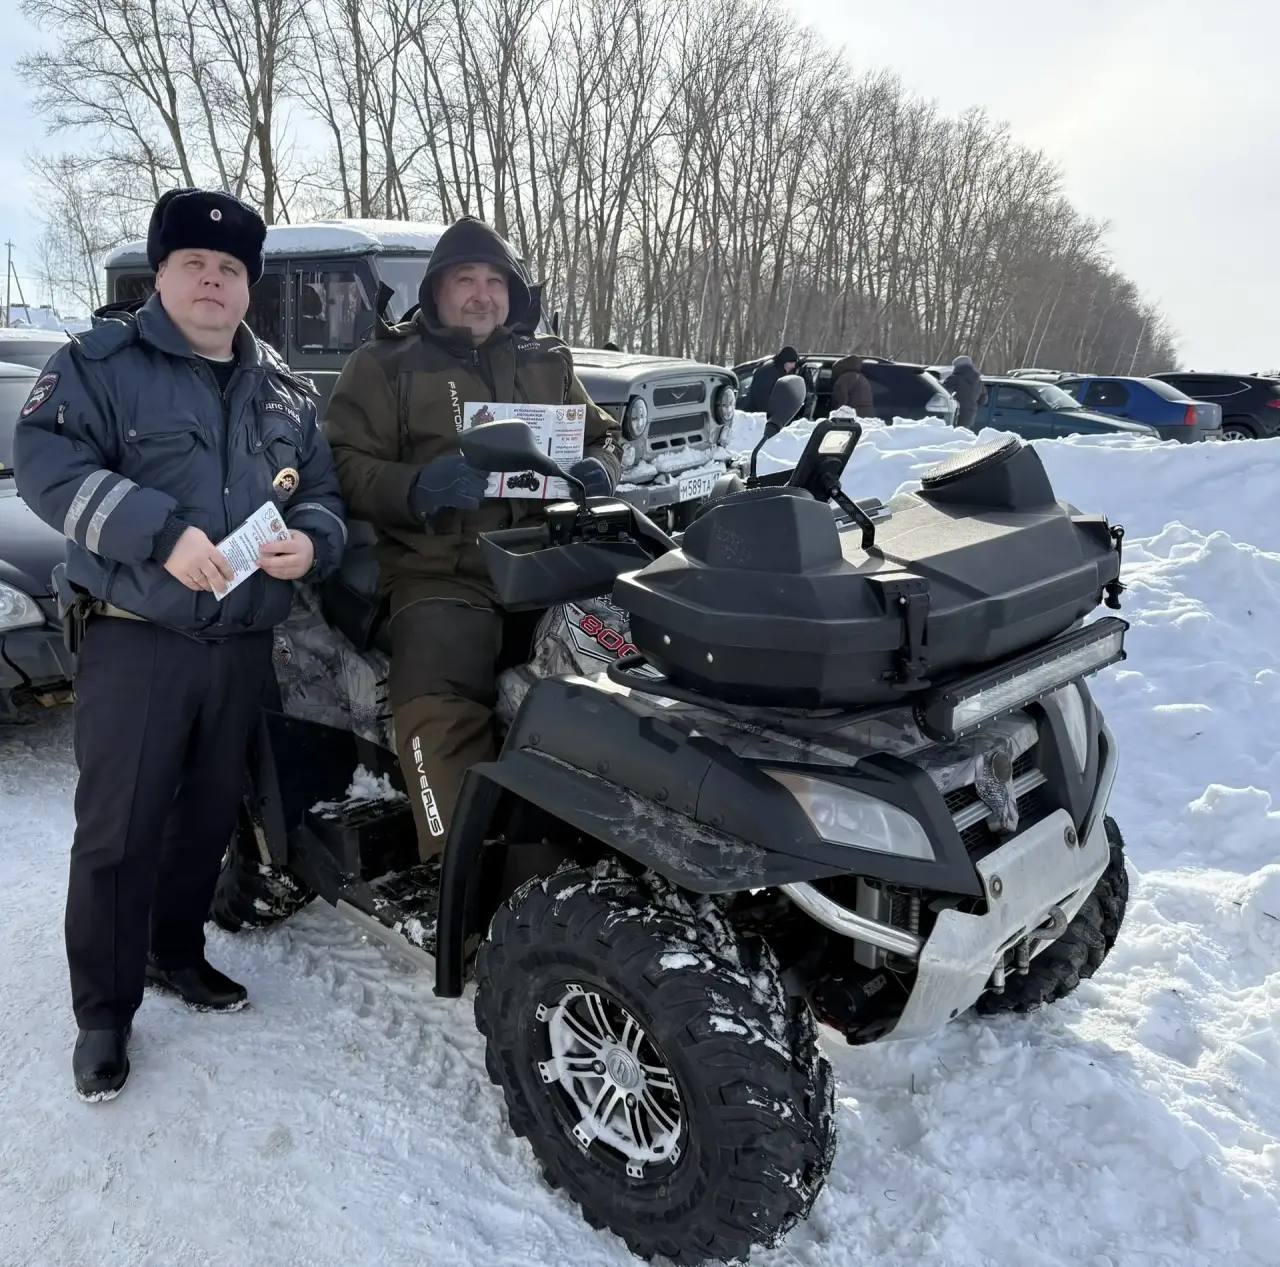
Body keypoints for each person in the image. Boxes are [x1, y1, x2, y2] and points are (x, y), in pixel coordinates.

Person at [12, 187, 347, 1102]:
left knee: (205, 817)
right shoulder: (101, 364)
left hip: (240, 646)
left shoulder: (284, 388)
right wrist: (159, 531)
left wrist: (312, 541)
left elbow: (320, 490)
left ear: (250, 288)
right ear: (161, 275)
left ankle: (174, 952)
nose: (213, 280)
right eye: (194, 264)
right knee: (119, 831)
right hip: (138, 638)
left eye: (231, 269)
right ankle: (104, 1014)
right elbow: (45, 462)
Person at [324, 215, 622, 859]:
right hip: (441, 571)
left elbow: (599, 435)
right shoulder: (383, 364)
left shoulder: (547, 363)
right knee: (442, 694)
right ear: (436, 290)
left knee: (631, 668)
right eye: (466, 279)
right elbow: (342, 463)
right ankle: (464, 871)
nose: (483, 294)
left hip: (551, 562)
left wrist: (602, 468)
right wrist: (416, 486)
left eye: (496, 281)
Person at [746, 344, 799, 414]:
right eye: (792, 363)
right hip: (759, 416)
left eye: (794, 363)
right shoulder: (768, 373)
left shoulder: (780, 369)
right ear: (784, 361)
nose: (793, 366)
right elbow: (763, 400)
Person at [943, 354, 985, 429]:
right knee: (963, 435)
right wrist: (972, 406)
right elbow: (984, 399)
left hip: (955, 413)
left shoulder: (953, 378)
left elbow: (943, 394)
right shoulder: (979, 380)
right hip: (971, 414)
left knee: (951, 437)